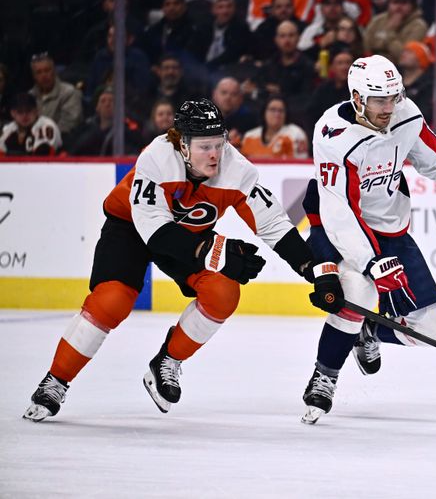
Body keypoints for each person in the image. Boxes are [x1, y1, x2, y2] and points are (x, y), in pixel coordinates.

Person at [23, 98, 345, 422]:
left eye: (219, 144)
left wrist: (316, 269)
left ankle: (167, 361)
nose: (215, 154)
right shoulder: (156, 158)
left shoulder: (236, 169)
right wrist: (217, 252)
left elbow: (275, 225)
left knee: (224, 293)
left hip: (188, 236)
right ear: (182, 143)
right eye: (205, 146)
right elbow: (156, 233)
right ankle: (56, 380)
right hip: (132, 228)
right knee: (111, 301)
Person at [299, 54, 436, 424]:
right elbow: (341, 209)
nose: (389, 108)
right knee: (359, 292)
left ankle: (368, 329)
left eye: (394, 97)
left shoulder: (404, 113)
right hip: (338, 230)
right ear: (357, 98)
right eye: (379, 100)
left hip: (389, 227)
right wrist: (370, 262)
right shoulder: (334, 135)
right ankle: (326, 374)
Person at [187, 0, 252, 71]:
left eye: (229, 6)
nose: (225, 11)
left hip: (228, 70)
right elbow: (193, 50)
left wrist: (207, 67)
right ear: (213, 10)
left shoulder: (241, 28)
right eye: (220, 7)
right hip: (202, 70)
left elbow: (232, 54)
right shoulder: (204, 28)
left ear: (234, 8)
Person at [68, 87, 144, 156]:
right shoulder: (85, 128)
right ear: (97, 107)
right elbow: (74, 150)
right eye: (103, 101)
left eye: (111, 101)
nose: (107, 104)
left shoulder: (128, 129)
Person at [363, 0, 428, 64]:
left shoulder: (418, 26)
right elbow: (366, 45)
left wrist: (391, 31)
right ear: (388, 4)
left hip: (400, 68)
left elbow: (404, 56)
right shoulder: (378, 20)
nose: (399, 7)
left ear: (412, 6)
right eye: (395, 2)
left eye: (404, 3)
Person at [28, 53, 83, 139]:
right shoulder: (30, 96)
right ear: (34, 76)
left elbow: (69, 124)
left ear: (54, 71)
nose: (44, 75)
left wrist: (43, 137)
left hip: (63, 143)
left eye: (47, 70)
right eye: (39, 72)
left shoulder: (69, 92)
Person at [140, 0, 199, 64]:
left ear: (184, 7)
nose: (172, 8)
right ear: (163, 9)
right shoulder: (154, 30)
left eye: (176, 3)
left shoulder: (194, 29)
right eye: (167, 4)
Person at [240, 95, 309, 159]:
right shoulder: (249, 136)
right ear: (264, 112)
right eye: (272, 109)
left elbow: (301, 164)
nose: (277, 114)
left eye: (281, 110)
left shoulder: (295, 134)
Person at [306, 49, 355, 133]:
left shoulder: (359, 90)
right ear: (332, 67)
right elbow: (312, 115)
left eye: (348, 63)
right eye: (340, 63)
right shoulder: (323, 90)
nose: (344, 67)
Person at [0, 92, 62, 156]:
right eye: (20, 112)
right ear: (13, 113)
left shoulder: (46, 126)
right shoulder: (8, 128)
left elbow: (43, 154)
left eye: (28, 111)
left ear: (36, 111)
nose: (24, 115)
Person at [398, 41, 434, 121]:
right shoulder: (395, 78)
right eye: (404, 51)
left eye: (410, 52)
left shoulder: (428, 85)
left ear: (421, 59)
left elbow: (425, 112)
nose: (403, 54)